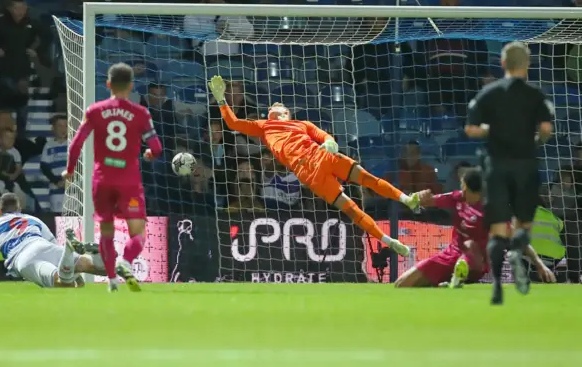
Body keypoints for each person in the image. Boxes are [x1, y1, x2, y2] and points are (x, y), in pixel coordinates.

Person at [209, 75, 426, 257]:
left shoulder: (302, 124)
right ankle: (388, 239)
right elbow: (233, 124)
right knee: (351, 208)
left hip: (322, 157)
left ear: (287, 114)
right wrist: (221, 100)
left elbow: (322, 135)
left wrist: (330, 142)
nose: (276, 107)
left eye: (280, 107)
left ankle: (407, 199)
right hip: (308, 172)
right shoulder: (264, 127)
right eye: (273, 107)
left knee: (366, 179)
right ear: (269, 115)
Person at [465, 41, 555, 305]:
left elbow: (470, 130)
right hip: (526, 165)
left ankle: (496, 287)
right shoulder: (536, 95)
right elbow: (547, 130)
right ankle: (518, 252)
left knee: (498, 228)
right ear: (527, 65)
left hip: (497, 166)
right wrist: (532, 140)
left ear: (503, 64)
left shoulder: (489, 93)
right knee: (522, 225)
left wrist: (493, 131)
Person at [63, 63, 163, 292]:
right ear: (131, 86)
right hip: (128, 181)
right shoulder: (140, 113)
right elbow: (157, 148)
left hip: (102, 180)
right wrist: (149, 154)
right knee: (138, 233)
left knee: (106, 232)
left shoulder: (95, 111)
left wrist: (69, 170)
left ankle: (112, 281)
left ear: (108, 84)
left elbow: (76, 144)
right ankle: (125, 263)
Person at [395, 168, 555, 288]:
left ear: (467, 186)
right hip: (448, 256)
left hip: (475, 263)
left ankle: (458, 274)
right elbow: (425, 201)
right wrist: (418, 196)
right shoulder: (457, 198)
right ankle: (448, 282)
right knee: (401, 284)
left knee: (471, 248)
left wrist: (540, 265)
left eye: (462, 183)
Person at [0, 193, 106, 288]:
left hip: (23, 257)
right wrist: (73, 269)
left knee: (63, 284)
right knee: (94, 267)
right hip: (43, 245)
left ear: (0, 212)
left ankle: (69, 256)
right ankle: (93, 259)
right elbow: (53, 244)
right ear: (19, 209)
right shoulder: (32, 219)